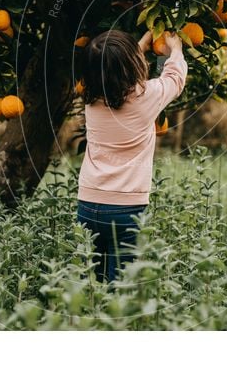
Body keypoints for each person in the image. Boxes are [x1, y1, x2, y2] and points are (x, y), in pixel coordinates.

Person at [77, 29, 187, 282]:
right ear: (134, 64)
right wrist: (175, 48)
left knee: (92, 280)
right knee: (120, 283)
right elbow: (175, 77)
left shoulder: (91, 100)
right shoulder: (147, 96)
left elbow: (113, 67)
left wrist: (142, 45)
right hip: (126, 209)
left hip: (87, 203)